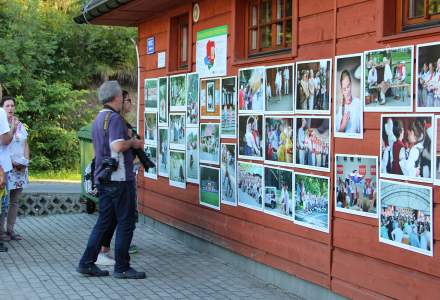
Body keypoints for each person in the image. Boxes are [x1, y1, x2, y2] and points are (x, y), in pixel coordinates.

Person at [77, 81, 146, 279]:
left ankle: (87, 262)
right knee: (126, 222)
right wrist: (134, 142)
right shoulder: (115, 119)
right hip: (120, 179)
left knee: (104, 222)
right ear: (117, 97)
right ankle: (122, 267)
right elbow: (117, 146)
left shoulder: (99, 118)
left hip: (104, 178)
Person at [0, 96, 29, 241]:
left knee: (14, 201)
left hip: (21, 169)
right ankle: (1, 231)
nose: (10, 108)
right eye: (7, 106)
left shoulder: (20, 125)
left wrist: (25, 162)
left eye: (12, 105)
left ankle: (11, 229)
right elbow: (3, 146)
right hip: (7, 168)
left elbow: (25, 143)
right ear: (2, 108)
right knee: (3, 201)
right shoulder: (2, 125)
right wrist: (14, 164)